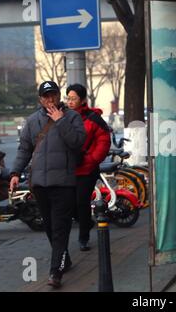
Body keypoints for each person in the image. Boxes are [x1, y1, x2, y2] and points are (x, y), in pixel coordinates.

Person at [9, 81, 86, 288]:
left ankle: (56, 272)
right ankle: (64, 259)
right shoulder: (33, 121)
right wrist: (15, 173)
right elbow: (24, 149)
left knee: (60, 228)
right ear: (40, 99)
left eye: (53, 95)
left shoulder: (72, 117)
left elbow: (78, 142)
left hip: (63, 184)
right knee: (50, 228)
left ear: (59, 96)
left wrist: (61, 121)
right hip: (40, 184)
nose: (50, 100)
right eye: (46, 96)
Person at [66, 83, 111, 251]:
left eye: (74, 99)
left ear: (82, 99)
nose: (70, 102)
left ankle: (83, 237)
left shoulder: (93, 118)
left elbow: (104, 140)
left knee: (81, 202)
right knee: (69, 204)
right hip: (67, 169)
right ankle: (87, 223)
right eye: (68, 98)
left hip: (87, 169)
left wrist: (92, 159)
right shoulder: (62, 115)